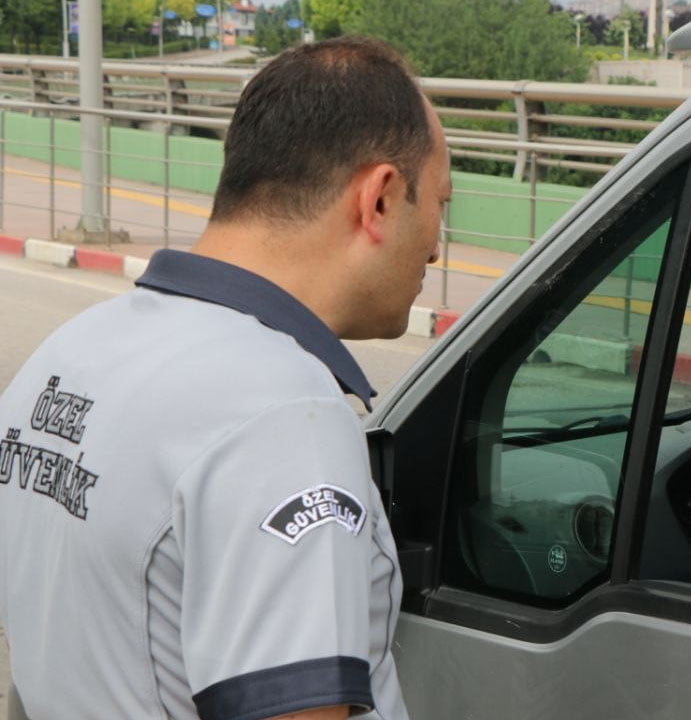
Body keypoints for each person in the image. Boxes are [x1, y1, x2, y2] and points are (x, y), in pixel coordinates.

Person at [0, 37, 449, 720]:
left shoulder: (62, 359)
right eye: (440, 204)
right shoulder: (283, 415)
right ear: (380, 198)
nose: (439, 244)